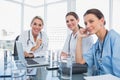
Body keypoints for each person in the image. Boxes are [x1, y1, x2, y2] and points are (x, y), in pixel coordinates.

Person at [76, 8, 120, 77]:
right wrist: (79, 38)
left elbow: (118, 74)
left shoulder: (115, 39)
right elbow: (80, 62)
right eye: (85, 23)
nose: (87, 26)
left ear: (101, 21)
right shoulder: (96, 45)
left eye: (91, 21)